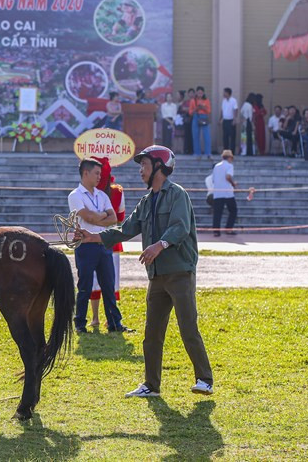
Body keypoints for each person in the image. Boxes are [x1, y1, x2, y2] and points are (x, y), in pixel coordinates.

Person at [76, 145, 214, 398]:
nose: (141, 170)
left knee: (188, 327)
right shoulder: (147, 201)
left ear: (159, 168)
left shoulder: (177, 195)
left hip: (180, 272)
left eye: (145, 165)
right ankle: (151, 385)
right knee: (152, 334)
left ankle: (204, 379)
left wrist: (159, 245)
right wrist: (92, 237)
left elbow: (180, 227)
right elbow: (125, 229)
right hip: (157, 276)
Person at [67, 158, 130, 334]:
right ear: (85, 173)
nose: (99, 177)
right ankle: (80, 323)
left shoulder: (101, 195)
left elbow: (114, 219)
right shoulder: (75, 195)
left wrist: (98, 217)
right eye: (96, 173)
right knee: (85, 285)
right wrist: (102, 216)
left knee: (108, 284)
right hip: (85, 245)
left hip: (102, 243)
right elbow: (88, 217)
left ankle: (114, 323)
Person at [88, 157, 126, 330]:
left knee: (93, 280)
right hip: (111, 240)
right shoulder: (117, 191)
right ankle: (110, 318)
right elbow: (120, 217)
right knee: (110, 282)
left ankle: (94, 318)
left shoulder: (88, 193)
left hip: (90, 239)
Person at [211, 150, 238, 237]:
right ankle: (228, 229)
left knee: (217, 212)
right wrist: (233, 184)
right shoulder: (229, 166)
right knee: (233, 210)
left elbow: (213, 179)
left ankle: (216, 231)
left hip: (218, 192)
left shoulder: (216, 166)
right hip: (227, 192)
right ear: (229, 157)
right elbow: (228, 176)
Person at [192, 86, 212, 158]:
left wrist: (203, 107)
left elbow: (209, 111)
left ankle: (208, 152)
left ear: (203, 93)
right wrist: (197, 108)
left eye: (201, 92)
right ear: (196, 93)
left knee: (206, 135)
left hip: (204, 117)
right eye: (198, 92)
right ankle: (197, 152)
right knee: (195, 135)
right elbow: (190, 112)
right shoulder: (193, 101)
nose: (200, 94)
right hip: (196, 117)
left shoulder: (206, 100)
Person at [220, 87, 237, 154]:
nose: (223, 94)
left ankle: (232, 152)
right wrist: (220, 119)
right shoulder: (223, 101)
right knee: (225, 137)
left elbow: (236, 109)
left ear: (228, 93)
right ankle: (225, 152)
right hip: (225, 121)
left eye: (224, 92)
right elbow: (222, 110)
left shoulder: (233, 100)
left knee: (232, 137)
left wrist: (234, 119)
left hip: (231, 120)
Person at [181, 88, 195, 155]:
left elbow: (196, 109)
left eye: (192, 93)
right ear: (188, 94)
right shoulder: (186, 102)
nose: (191, 94)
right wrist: (190, 109)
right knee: (187, 135)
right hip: (187, 120)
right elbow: (183, 108)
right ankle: (186, 150)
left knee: (193, 135)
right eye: (190, 93)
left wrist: (189, 109)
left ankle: (192, 150)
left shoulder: (196, 101)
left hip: (194, 120)